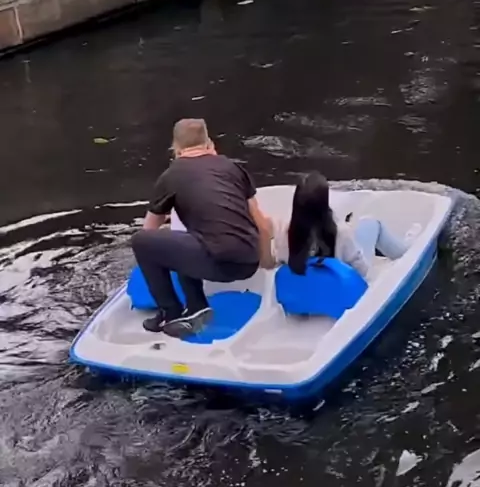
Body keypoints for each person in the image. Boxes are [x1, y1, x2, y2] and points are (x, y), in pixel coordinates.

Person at [132, 119, 272, 337]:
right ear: (210, 143)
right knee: (185, 238)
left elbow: (148, 231)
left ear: (176, 148)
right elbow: (262, 224)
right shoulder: (232, 168)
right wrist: (267, 262)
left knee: (142, 242)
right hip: (249, 260)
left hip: (218, 264)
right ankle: (197, 306)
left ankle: (170, 313)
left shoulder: (171, 175)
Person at [266, 171, 411, 278]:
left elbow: (282, 260)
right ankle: (407, 251)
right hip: (338, 284)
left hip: (307, 286)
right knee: (372, 223)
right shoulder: (340, 232)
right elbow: (362, 270)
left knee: (356, 229)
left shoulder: (285, 231)